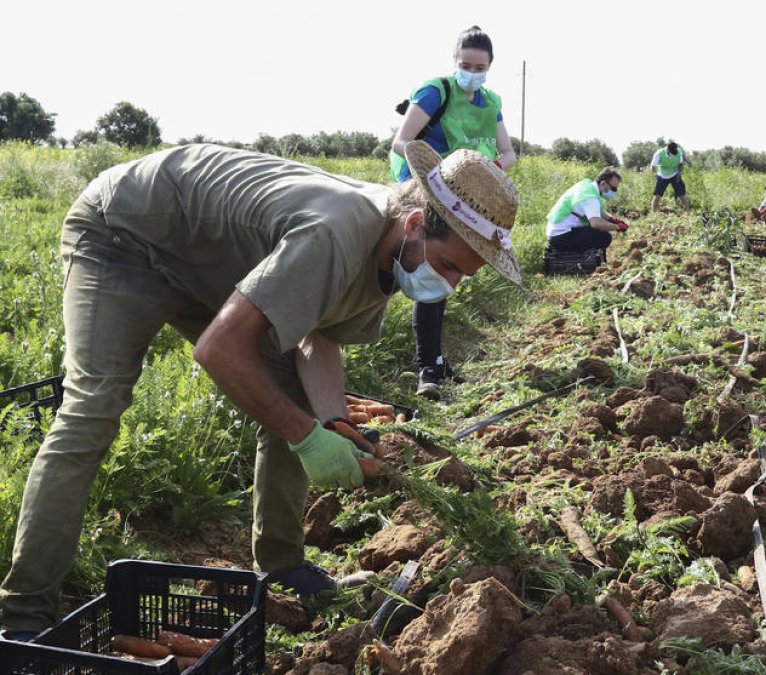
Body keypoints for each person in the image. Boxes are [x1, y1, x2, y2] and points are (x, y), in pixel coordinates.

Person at [0, 141, 521, 640]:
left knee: (294, 398)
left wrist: (334, 424)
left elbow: (317, 337)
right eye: (448, 265)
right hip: (124, 233)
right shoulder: (336, 235)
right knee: (94, 409)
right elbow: (218, 350)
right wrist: (307, 438)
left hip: (206, 259)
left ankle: (282, 565)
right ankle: (25, 612)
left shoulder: (391, 253)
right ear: (413, 224)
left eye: (461, 277)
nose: (447, 285)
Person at [389, 26, 517, 400]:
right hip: (423, 187)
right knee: (431, 267)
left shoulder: (491, 102)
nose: (472, 72)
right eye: (465, 64)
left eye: (479, 66)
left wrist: (488, 169)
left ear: (490, 66)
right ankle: (428, 368)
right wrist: (438, 173)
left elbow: (508, 153)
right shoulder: (436, 91)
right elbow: (402, 142)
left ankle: (435, 359)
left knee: (445, 272)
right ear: (455, 62)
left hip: (462, 198)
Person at [545, 167, 628, 256]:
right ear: (603, 184)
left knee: (596, 231)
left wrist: (612, 219)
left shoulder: (587, 186)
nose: (614, 192)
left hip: (555, 232)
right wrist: (617, 227)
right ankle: (577, 258)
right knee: (604, 237)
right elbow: (596, 223)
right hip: (561, 237)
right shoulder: (591, 198)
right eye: (614, 188)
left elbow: (600, 212)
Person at [649, 141, 690, 212]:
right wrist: (656, 175)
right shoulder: (659, 153)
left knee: (681, 194)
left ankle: (687, 213)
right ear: (667, 149)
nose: (673, 155)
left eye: (674, 153)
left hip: (674, 175)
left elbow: (681, 164)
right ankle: (653, 214)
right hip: (662, 176)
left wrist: (678, 173)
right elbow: (652, 167)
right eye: (672, 153)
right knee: (657, 195)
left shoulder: (679, 152)